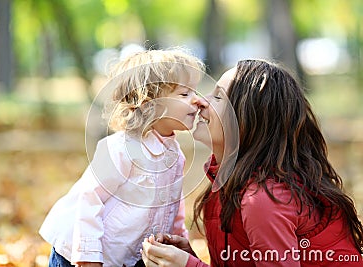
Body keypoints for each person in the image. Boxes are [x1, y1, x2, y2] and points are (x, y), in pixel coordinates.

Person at [141, 59, 363, 266]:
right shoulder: (223, 189)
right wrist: (188, 256)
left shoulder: (264, 200)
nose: (200, 100)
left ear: (248, 120)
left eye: (218, 97)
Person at [39, 48, 206, 267]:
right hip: (78, 255)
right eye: (185, 94)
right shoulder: (121, 147)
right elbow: (89, 198)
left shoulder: (174, 155)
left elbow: (172, 208)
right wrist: (89, 256)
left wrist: (178, 245)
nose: (197, 100)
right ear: (149, 103)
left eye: (195, 91)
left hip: (120, 257)